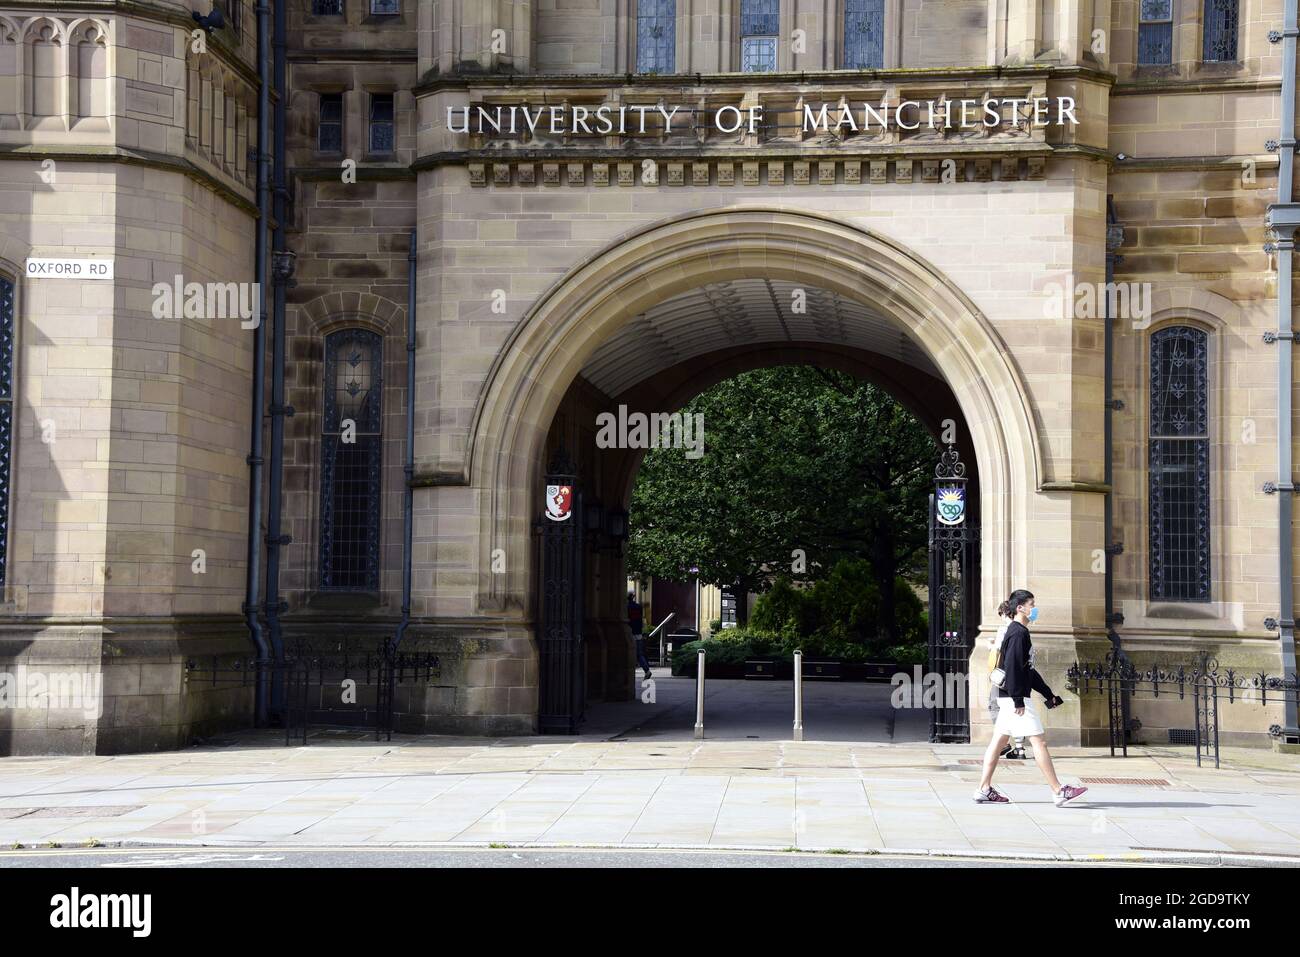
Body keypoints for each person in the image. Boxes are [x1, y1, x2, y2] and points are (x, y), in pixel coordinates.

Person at [973, 589, 1088, 807]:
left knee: (998, 742)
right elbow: (1014, 667)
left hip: (1010, 697)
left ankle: (983, 789)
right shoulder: (1018, 633)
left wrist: (1048, 694)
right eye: (1031, 604)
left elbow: (1028, 671)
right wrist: (1018, 700)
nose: (1034, 609)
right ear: (1020, 608)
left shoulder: (1019, 631)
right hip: (1015, 699)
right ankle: (1058, 790)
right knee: (1039, 741)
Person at [628, 591, 651, 682]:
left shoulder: (626, 607)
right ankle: (647, 670)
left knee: (628, 653)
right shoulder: (639, 607)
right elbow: (641, 619)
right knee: (639, 654)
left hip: (630, 633)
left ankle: (629, 673)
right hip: (638, 633)